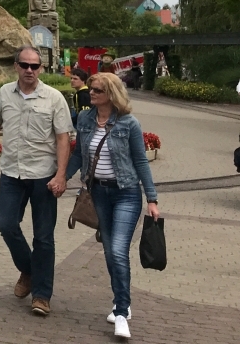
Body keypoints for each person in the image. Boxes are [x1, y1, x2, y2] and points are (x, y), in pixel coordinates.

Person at [0, 45, 73, 318]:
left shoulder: (54, 98)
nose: (29, 70)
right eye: (24, 65)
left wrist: (61, 175)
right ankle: (28, 269)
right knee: (6, 224)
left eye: (35, 66)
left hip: (43, 176)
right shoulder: (4, 93)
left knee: (44, 238)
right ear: (16, 66)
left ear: (41, 69)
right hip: (11, 173)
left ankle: (41, 295)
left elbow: (63, 137)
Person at [67, 72, 159, 340]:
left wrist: (152, 199)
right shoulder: (85, 119)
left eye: (97, 90)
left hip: (126, 194)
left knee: (118, 251)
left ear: (111, 94)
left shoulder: (128, 123)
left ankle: (121, 312)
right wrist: (60, 177)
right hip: (98, 194)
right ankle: (123, 301)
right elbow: (78, 154)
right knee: (110, 252)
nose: (91, 93)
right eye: (92, 89)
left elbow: (141, 162)